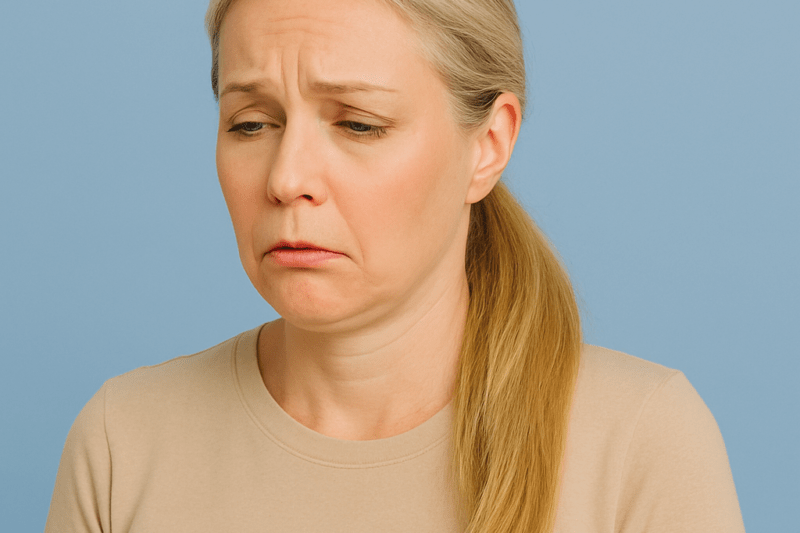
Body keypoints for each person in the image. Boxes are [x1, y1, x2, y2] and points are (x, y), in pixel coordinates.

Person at [45, 0, 746, 531]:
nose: (287, 178)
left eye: (358, 123)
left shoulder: (642, 442)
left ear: (488, 145)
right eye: (251, 122)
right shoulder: (122, 441)